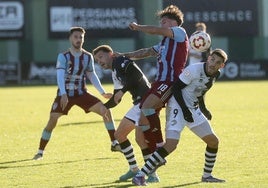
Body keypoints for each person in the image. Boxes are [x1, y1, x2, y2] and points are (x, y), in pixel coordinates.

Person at [132, 49, 228, 186]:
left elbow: (199, 91)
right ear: (209, 58)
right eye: (212, 59)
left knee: (213, 141)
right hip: (177, 106)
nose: (213, 64)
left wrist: (204, 108)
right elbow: (176, 88)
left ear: (222, 66)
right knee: (171, 145)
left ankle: (207, 176)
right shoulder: (194, 70)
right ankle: (140, 175)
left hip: (192, 109)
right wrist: (184, 110)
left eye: (218, 62)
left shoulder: (216, 74)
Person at [33, 27, 120, 160]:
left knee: (106, 111)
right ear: (70, 38)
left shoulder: (87, 56)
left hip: (81, 94)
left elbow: (92, 75)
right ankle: (40, 151)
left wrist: (102, 92)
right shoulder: (63, 56)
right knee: (52, 121)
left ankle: (114, 143)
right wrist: (63, 93)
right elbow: (60, 76)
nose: (79, 39)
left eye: (81, 37)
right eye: (76, 37)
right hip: (65, 95)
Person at [118, 5, 188, 150]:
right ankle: (153, 159)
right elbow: (146, 51)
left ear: (173, 22)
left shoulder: (180, 32)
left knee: (147, 106)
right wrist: (124, 56)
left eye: (164, 21)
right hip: (158, 82)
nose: (161, 25)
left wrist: (138, 27)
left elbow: (156, 30)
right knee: (143, 125)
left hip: (170, 82)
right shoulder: (163, 43)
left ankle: (160, 144)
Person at [92, 45, 160, 183]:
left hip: (145, 102)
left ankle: (142, 171)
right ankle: (146, 173)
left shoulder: (120, 61)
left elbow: (137, 76)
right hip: (142, 104)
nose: (99, 61)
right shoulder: (114, 72)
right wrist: (105, 107)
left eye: (101, 57)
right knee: (139, 139)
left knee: (120, 135)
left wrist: (123, 91)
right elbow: (117, 97)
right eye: (97, 60)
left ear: (111, 54)